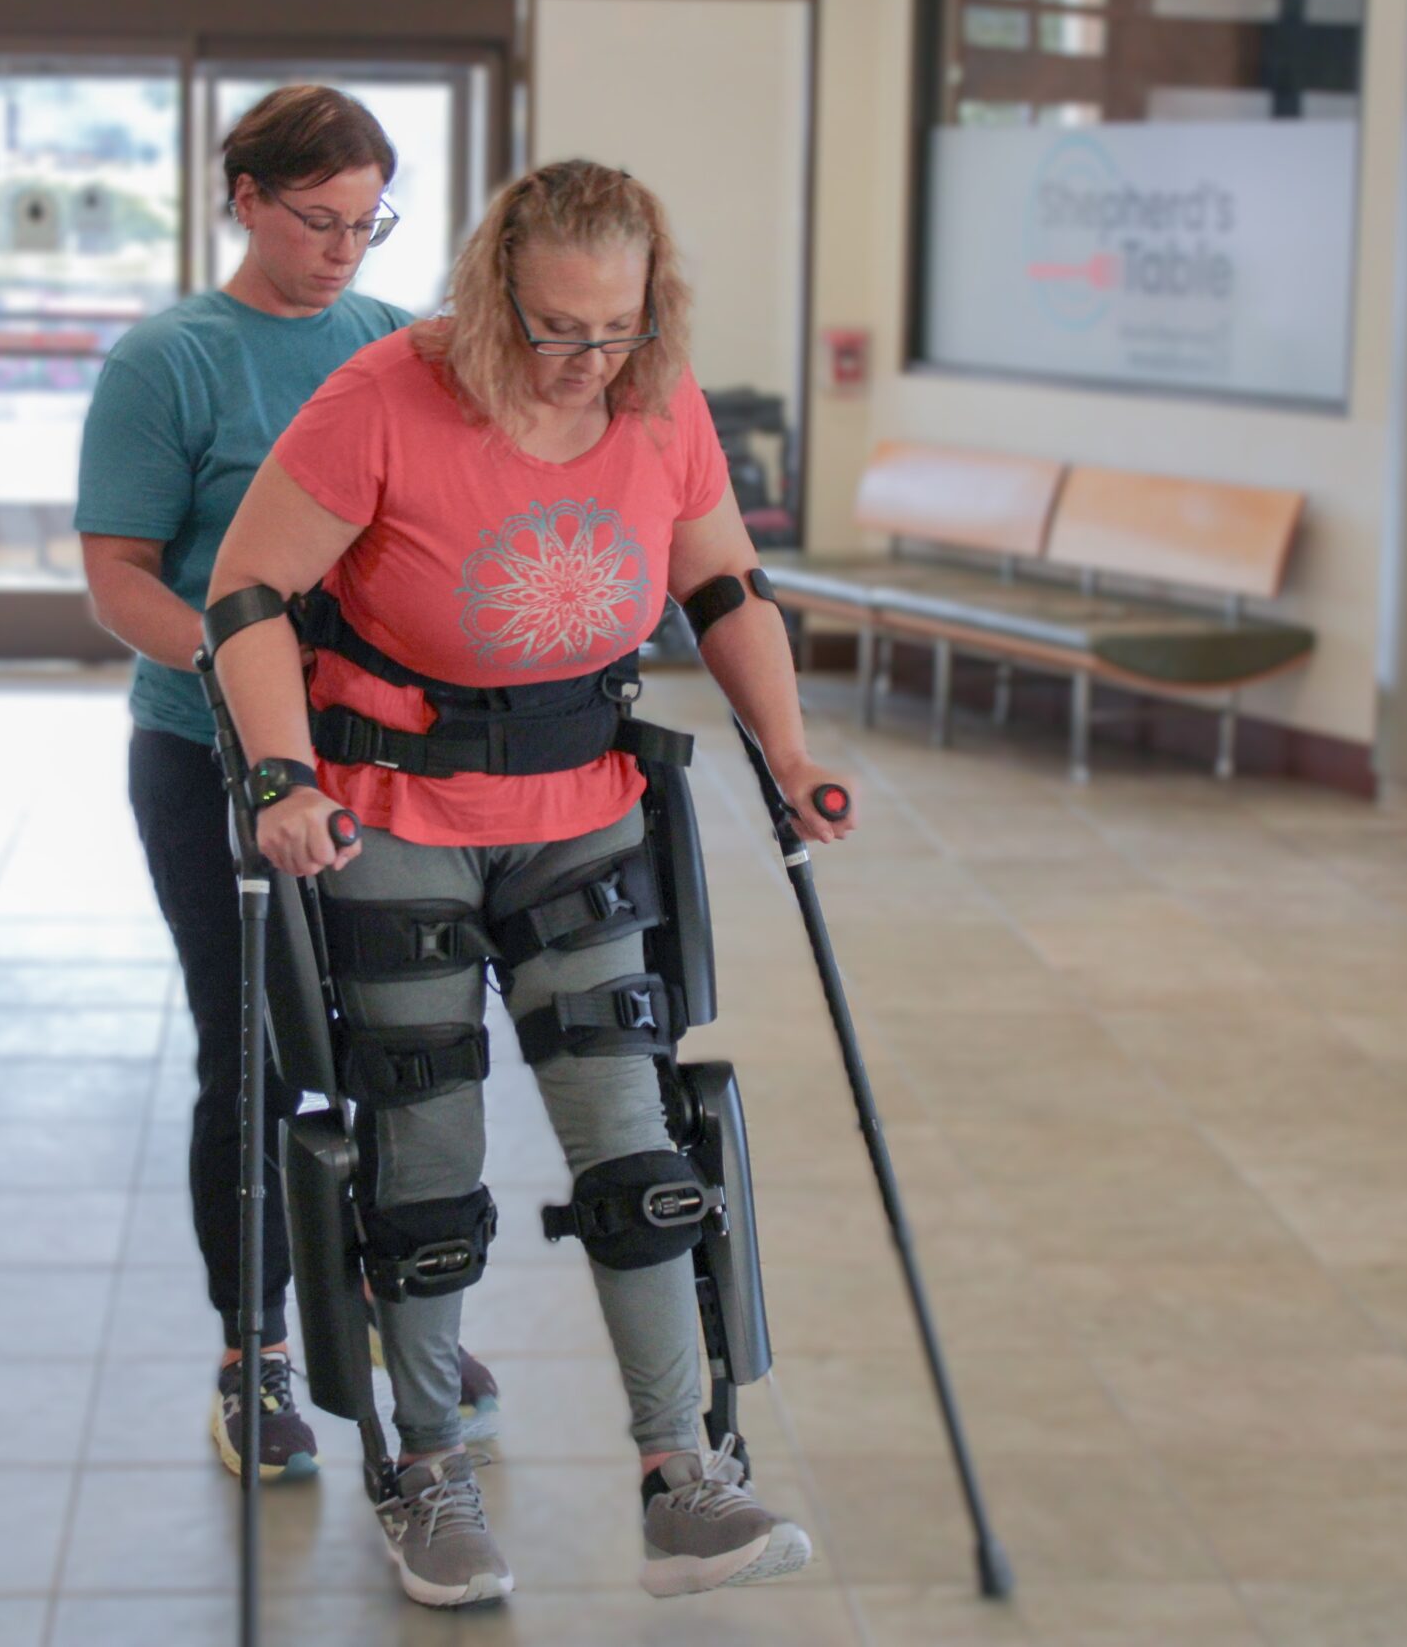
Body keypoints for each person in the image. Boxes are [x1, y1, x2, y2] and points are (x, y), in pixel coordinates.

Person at [206, 159, 854, 1607]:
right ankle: (429, 1470)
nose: (584, 361)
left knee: (637, 1153)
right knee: (426, 1161)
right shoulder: (382, 395)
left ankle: (682, 1474)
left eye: (614, 330)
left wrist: (793, 751)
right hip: (396, 812)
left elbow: (723, 587)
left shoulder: (656, 398)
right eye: (558, 329)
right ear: (496, 291)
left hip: (582, 812)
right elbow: (245, 596)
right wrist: (278, 774)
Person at [74, 84, 499, 1486]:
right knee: (251, 1051)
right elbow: (117, 578)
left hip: (369, 759)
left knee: (390, 1039)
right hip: (206, 757)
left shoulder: (389, 348)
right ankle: (249, 1350)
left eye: (368, 223)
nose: (342, 250)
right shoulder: (168, 364)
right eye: (316, 220)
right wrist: (237, 662)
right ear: (244, 199)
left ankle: (381, 1303)